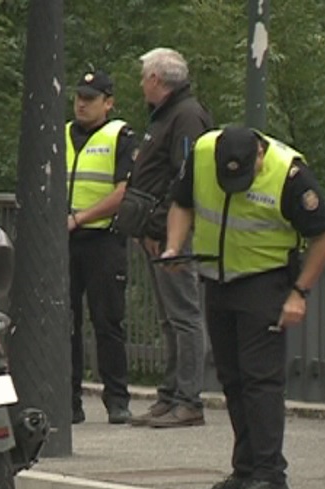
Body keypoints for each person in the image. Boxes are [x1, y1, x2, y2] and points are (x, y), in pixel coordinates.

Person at [163, 125, 325, 489]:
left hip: (265, 283)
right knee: (233, 379)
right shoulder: (205, 151)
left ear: (260, 154)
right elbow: (181, 202)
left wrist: (299, 293)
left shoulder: (290, 173)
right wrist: (175, 246)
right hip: (217, 279)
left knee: (261, 382)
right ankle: (245, 471)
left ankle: (271, 477)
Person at [126, 48, 214, 428]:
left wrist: (163, 227)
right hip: (155, 229)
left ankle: (189, 398)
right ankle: (171, 391)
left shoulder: (186, 116)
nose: (141, 82)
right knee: (169, 316)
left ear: (157, 80)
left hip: (172, 232)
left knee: (184, 315)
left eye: (144, 76)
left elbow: (184, 176)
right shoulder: (165, 116)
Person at [65, 69, 137, 425]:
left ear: (108, 103)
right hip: (63, 241)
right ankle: (69, 402)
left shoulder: (120, 137)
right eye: (79, 97)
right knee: (65, 323)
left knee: (107, 321)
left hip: (102, 239)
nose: (82, 104)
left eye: (90, 99)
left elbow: (124, 192)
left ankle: (117, 400)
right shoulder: (61, 134)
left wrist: (80, 217)